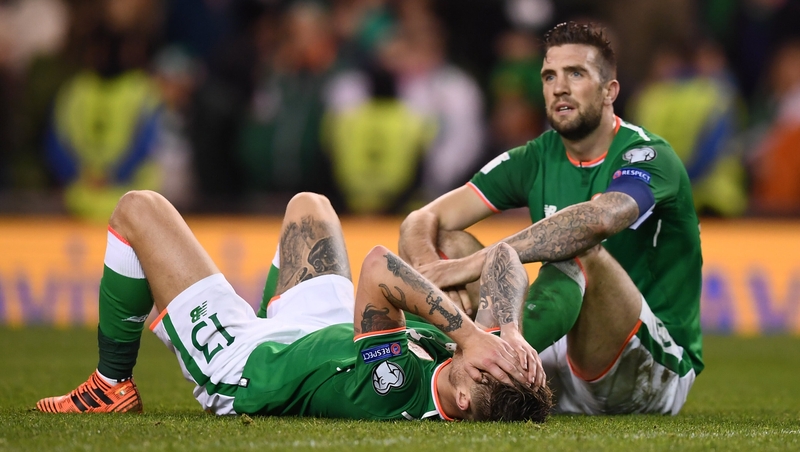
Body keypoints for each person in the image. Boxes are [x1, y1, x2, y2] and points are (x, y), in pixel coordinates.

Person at [398, 22, 703, 415]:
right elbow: (422, 219)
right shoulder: (537, 156)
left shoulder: (649, 156)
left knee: (579, 247)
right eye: (549, 76)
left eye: (576, 74)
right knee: (448, 241)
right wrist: (430, 271)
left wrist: (471, 265)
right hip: (559, 355)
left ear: (610, 91)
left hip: (650, 365)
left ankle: (466, 366)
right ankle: (477, 362)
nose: (559, 87)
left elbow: (597, 222)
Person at [35, 190, 551, 421]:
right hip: (322, 336)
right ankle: (273, 312)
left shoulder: (390, 387)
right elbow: (504, 255)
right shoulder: (472, 373)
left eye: (496, 366)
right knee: (310, 207)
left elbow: (377, 266)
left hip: (251, 366)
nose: (495, 356)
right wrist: (509, 332)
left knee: (137, 210)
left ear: (464, 399)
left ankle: (108, 385)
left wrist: (468, 335)